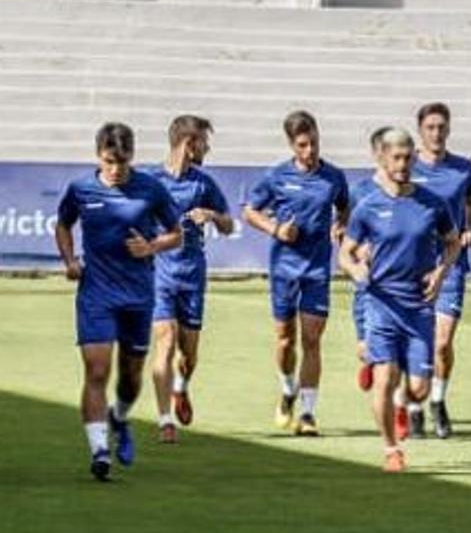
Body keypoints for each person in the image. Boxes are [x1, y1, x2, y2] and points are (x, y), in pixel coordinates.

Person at [54, 122, 182, 481]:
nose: (116, 169)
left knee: (130, 376)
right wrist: (69, 261)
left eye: (122, 162)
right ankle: (99, 452)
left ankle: (120, 417)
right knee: (96, 369)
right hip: (96, 293)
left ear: (132, 157)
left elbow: (177, 234)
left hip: (138, 296)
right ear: (99, 156)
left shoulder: (150, 190)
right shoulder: (81, 190)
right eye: (110, 162)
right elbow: (63, 225)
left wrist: (152, 246)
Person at [339, 128, 460, 472]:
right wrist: (356, 270)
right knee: (385, 376)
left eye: (409, 157)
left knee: (420, 388)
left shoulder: (432, 204)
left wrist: (440, 273)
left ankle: (405, 404)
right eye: (397, 157)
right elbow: (345, 253)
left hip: (419, 306)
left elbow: (452, 242)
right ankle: (391, 449)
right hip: (382, 304)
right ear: (382, 158)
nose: (404, 164)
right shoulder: (368, 206)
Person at [242, 111, 349, 437]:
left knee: (312, 340)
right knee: (286, 340)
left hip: (316, 270)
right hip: (284, 269)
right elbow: (249, 211)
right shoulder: (276, 176)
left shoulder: (333, 177)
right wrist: (276, 229)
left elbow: (344, 207)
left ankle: (307, 413)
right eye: (303, 145)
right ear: (292, 145)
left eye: (314, 142)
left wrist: (341, 224)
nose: (310, 150)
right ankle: (288, 389)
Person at [148, 115, 232, 444]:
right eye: (204, 142)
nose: (207, 149)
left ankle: (181, 388)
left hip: (193, 275)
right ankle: (164, 419)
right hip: (160, 274)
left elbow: (228, 225)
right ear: (189, 143)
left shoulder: (203, 184)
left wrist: (211, 216)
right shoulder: (151, 181)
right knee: (165, 343)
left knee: (189, 354)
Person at [406, 102, 471, 440]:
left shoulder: (463, 169)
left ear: (448, 130)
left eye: (441, 127)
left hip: (451, 264)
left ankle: (437, 399)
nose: (436, 133)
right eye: (430, 127)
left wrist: (470, 228)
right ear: (420, 130)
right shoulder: (406, 166)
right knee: (416, 337)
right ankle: (413, 407)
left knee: (442, 342)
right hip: (412, 265)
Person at [349, 127, 390, 398]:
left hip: (401, 277)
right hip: (368, 280)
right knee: (367, 347)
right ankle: (369, 359)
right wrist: (360, 252)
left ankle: (400, 407)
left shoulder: (412, 192)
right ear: (377, 154)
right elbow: (345, 233)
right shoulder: (360, 192)